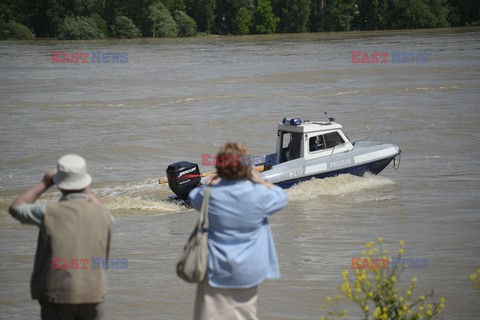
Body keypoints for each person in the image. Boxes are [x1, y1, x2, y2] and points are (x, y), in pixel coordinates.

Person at [189, 143, 288, 320]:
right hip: (248, 270)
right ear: (246, 169)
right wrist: (259, 180)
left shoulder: (209, 196)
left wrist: (214, 180)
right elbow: (282, 197)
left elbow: (193, 196)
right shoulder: (258, 194)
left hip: (216, 269)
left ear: (219, 168)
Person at [8, 154, 113, 320]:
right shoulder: (103, 214)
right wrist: (87, 190)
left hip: (57, 295)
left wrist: (44, 183)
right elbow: (108, 217)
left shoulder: (47, 211)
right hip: (92, 293)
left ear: (58, 183)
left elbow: (16, 208)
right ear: (85, 181)